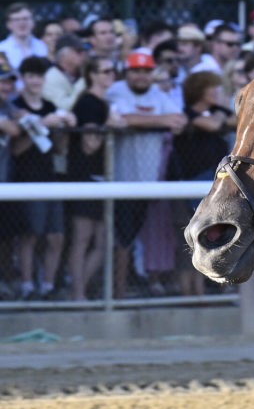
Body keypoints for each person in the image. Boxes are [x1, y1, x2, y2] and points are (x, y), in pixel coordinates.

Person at [105, 51, 186, 299]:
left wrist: (146, 121)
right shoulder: (116, 90)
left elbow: (180, 120)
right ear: (126, 72)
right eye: (136, 71)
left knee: (133, 236)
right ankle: (115, 293)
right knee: (120, 238)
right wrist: (160, 120)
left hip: (149, 180)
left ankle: (125, 289)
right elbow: (125, 119)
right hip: (120, 179)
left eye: (146, 71)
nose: (141, 76)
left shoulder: (156, 94)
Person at [10, 56, 76, 300]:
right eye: (30, 76)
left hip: (51, 177)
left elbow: (57, 149)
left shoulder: (49, 105)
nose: (35, 80)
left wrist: (62, 126)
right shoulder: (15, 106)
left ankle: (48, 286)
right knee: (31, 234)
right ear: (24, 79)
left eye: (39, 76)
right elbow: (17, 149)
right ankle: (27, 286)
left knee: (56, 235)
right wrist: (39, 125)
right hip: (26, 179)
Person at [169, 71, 235, 296]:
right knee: (188, 244)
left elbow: (237, 119)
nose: (219, 93)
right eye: (213, 88)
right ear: (200, 91)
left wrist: (222, 114)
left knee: (209, 240)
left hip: (211, 190)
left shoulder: (217, 111)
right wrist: (220, 116)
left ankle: (202, 292)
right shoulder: (186, 114)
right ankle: (189, 293)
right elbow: (215, 125)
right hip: (186, 188)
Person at [67, 57, 123, 300]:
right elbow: (89, 145)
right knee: (83, 239)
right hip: (85, 177)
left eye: (113, 70)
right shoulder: (89, 103)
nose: (111, 74)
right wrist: (108, 126)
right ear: (92, 74)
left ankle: (79, 291)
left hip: (101, 177)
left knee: (103, 243)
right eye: (106, 70)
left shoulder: (103, 102)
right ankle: (77, 294)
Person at [42, 34, 88, 108]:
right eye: (78, 51)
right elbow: (64, 107)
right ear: (62, 55)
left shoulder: (80, 72)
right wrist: (85, 80)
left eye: (84, 50)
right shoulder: (51, 77)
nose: (83, 54)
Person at [0, 4, 48, 74]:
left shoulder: (43, 46)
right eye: (16, 20)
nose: (21, 23)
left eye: (25, 19)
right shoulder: (1, 49)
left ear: (33, 22)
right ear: (8, 24)